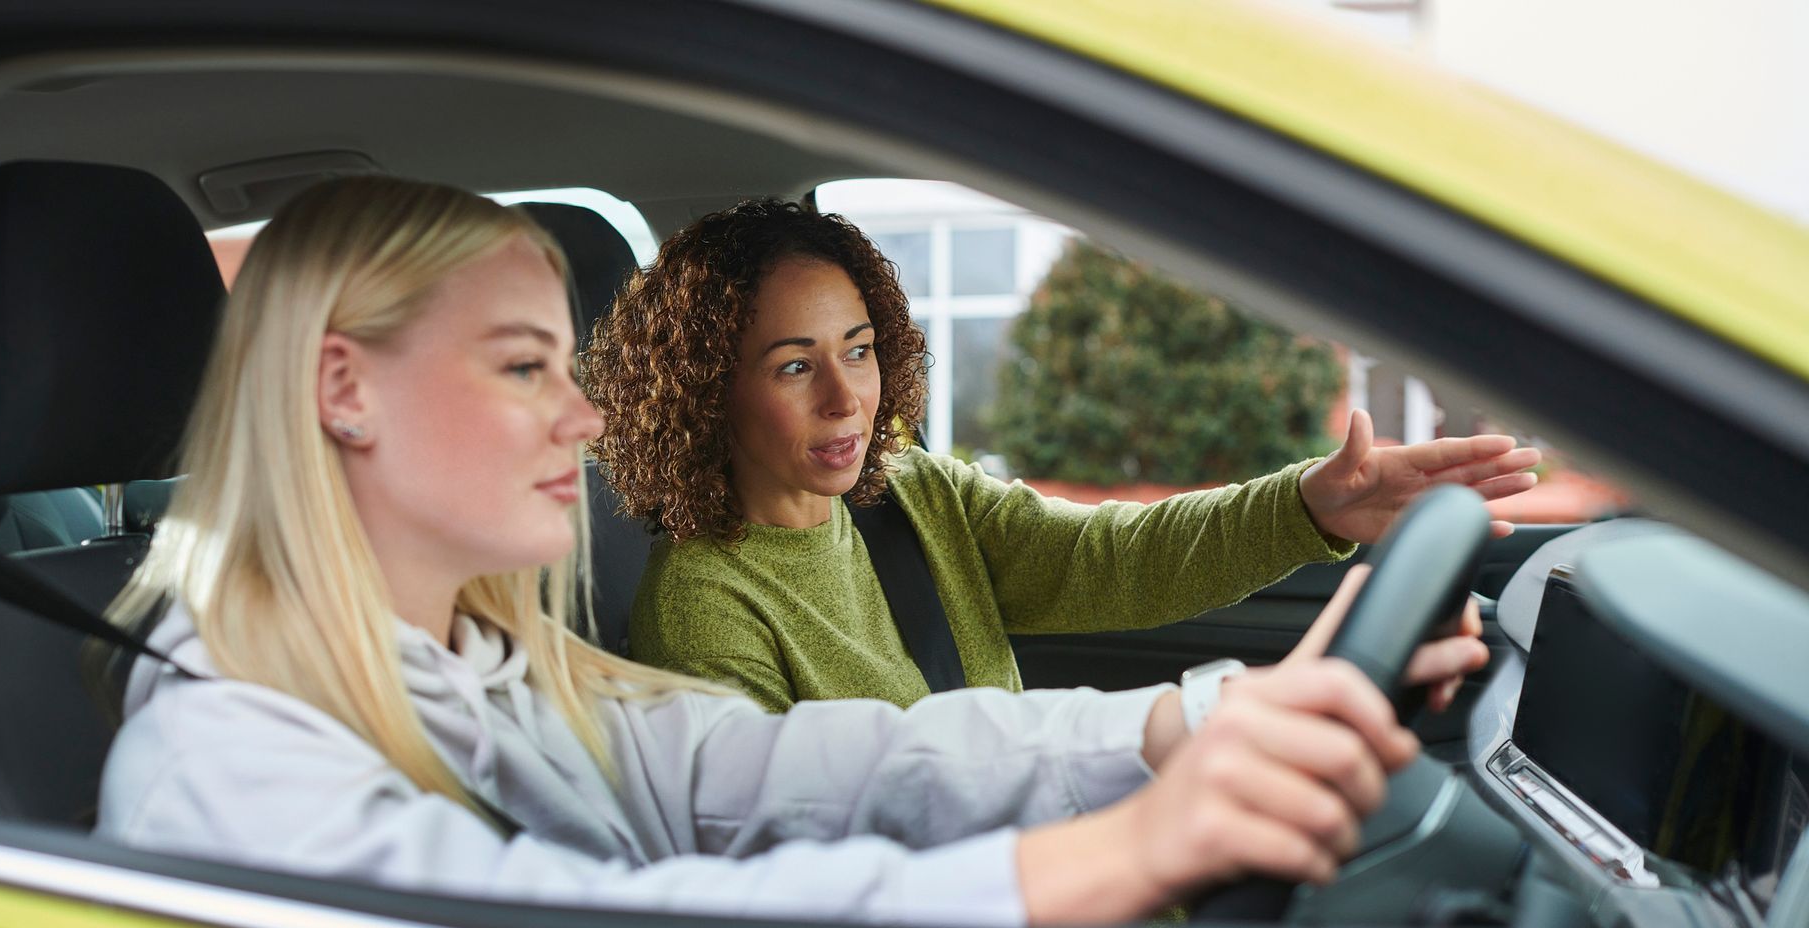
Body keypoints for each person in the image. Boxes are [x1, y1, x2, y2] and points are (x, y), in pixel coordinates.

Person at [92, 175, 1488, 928]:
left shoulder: (499, 674)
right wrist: (1109, 855)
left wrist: (1199, 722)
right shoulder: (229, 767)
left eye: (863, 353)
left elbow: (829, 762)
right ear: (343, 390)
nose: (578, 418)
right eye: (523, 366)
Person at [588, 199, 1537, 712]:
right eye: (796, 366)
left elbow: (1108, 558)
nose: (847, 397)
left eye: (860, 349)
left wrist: (1312, 506)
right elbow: (806, 864)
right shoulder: (704, 609)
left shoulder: (908, 492)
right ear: (704, 387)